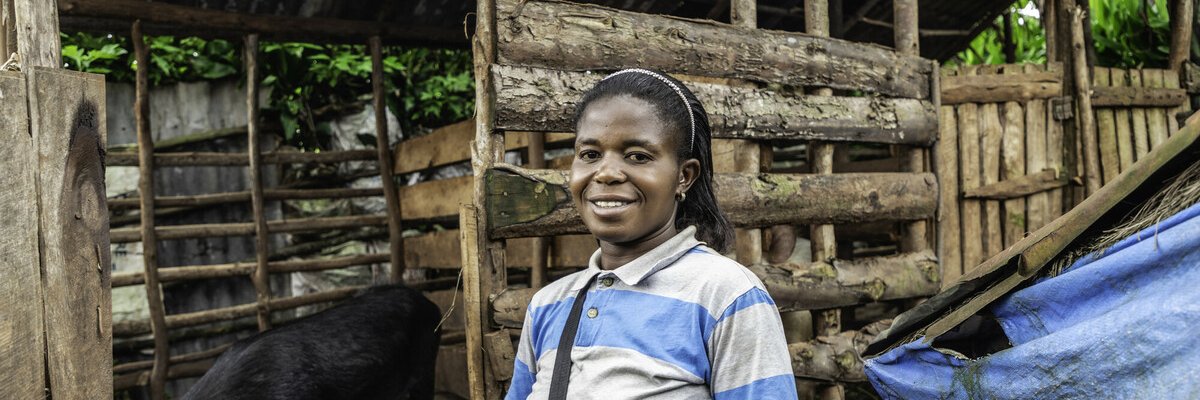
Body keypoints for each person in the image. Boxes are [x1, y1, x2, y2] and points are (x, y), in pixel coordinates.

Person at [505, 68, 796, 400]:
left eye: (638, 157)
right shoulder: (547, 306)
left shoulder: (726, 297)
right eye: (590, 155)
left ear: (684, 177)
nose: (607, 173)